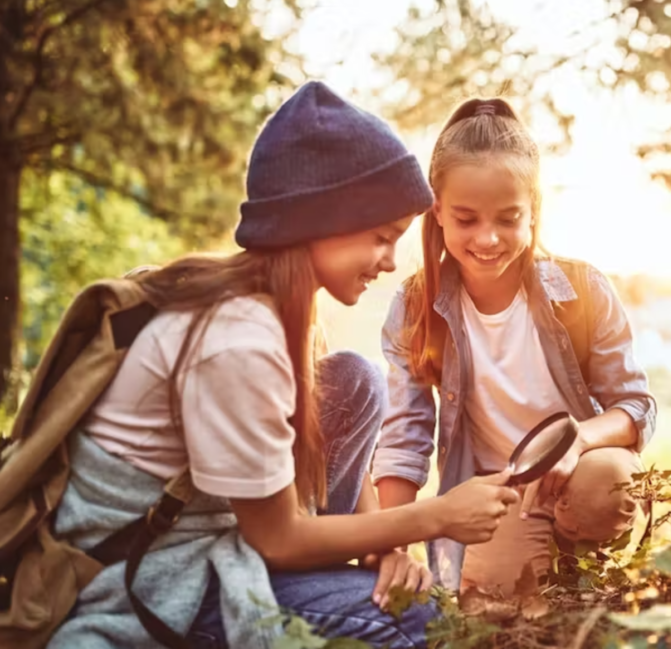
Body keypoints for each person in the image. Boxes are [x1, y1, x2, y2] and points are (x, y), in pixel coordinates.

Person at [47, 82, 520, 649]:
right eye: (379, 237)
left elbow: (314, 460)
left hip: (217, 532)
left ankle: (347, 578)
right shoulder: (238, 339)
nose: (390, 261)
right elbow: (276, 539)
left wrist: (386, 547)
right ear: (318, 220)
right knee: (418, 621)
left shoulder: (276, 308)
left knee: (352, 380)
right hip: (153, 574)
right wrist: (435, 517)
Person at [371, 98, 657, 595]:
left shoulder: (583, 289)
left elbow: (635, 407)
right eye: (466, 219)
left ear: (533, 212)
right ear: (437, 211)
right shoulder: (415, 306)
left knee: (604, 488)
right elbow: (404, 437)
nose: (488, 238)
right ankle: (538, 580)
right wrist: (392, 546)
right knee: (503, 608)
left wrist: (577, 443)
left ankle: (585, 578)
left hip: (582, 476)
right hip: (498, 494)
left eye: (508, 218)